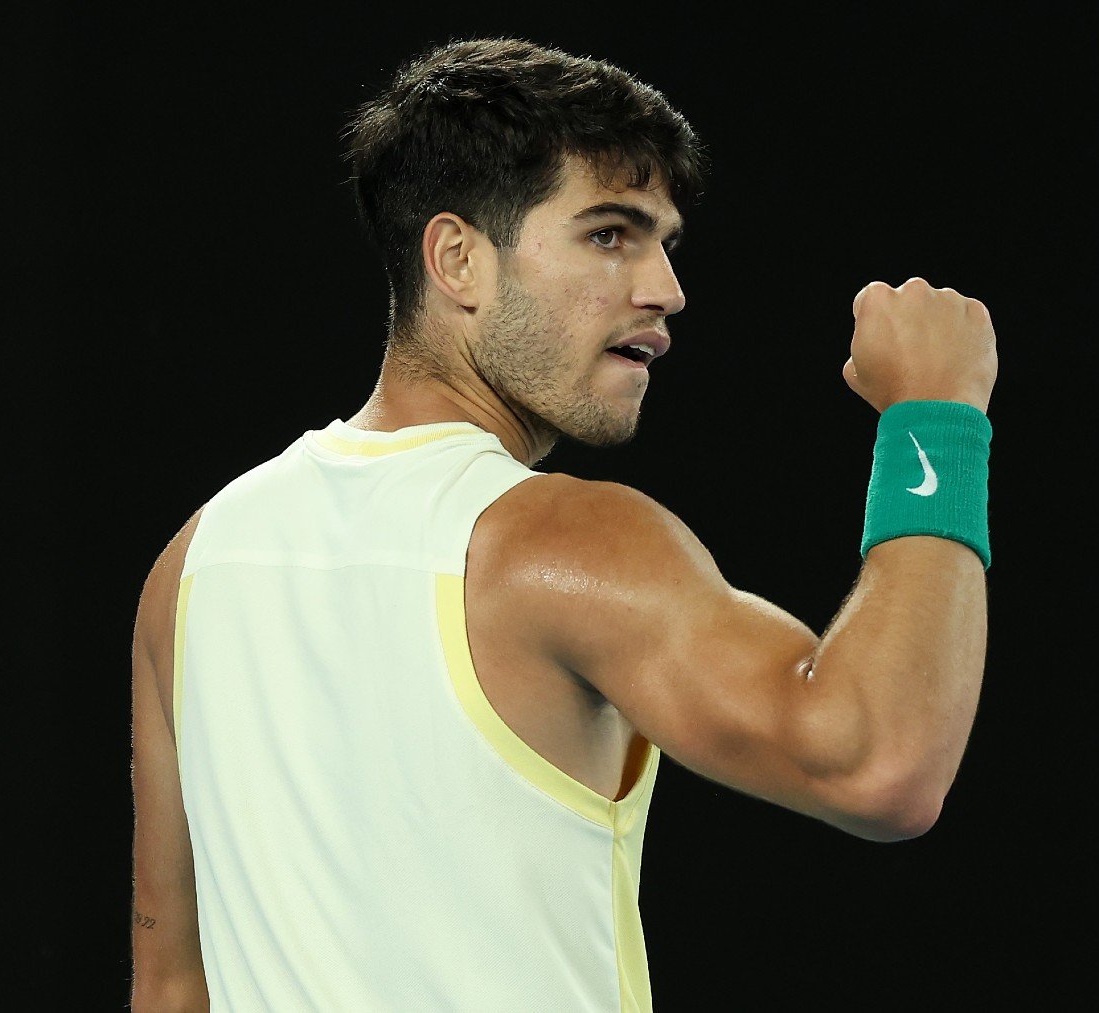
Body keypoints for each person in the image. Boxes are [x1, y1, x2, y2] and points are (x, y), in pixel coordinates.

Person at [129, 37, 996, 1012]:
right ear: (458, 258)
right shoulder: (562, 541)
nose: (665, 287)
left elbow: (170, 986)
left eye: (665, 241)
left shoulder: (196, 561)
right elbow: (879, 761)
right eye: (610, 233)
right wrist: (938, 418)